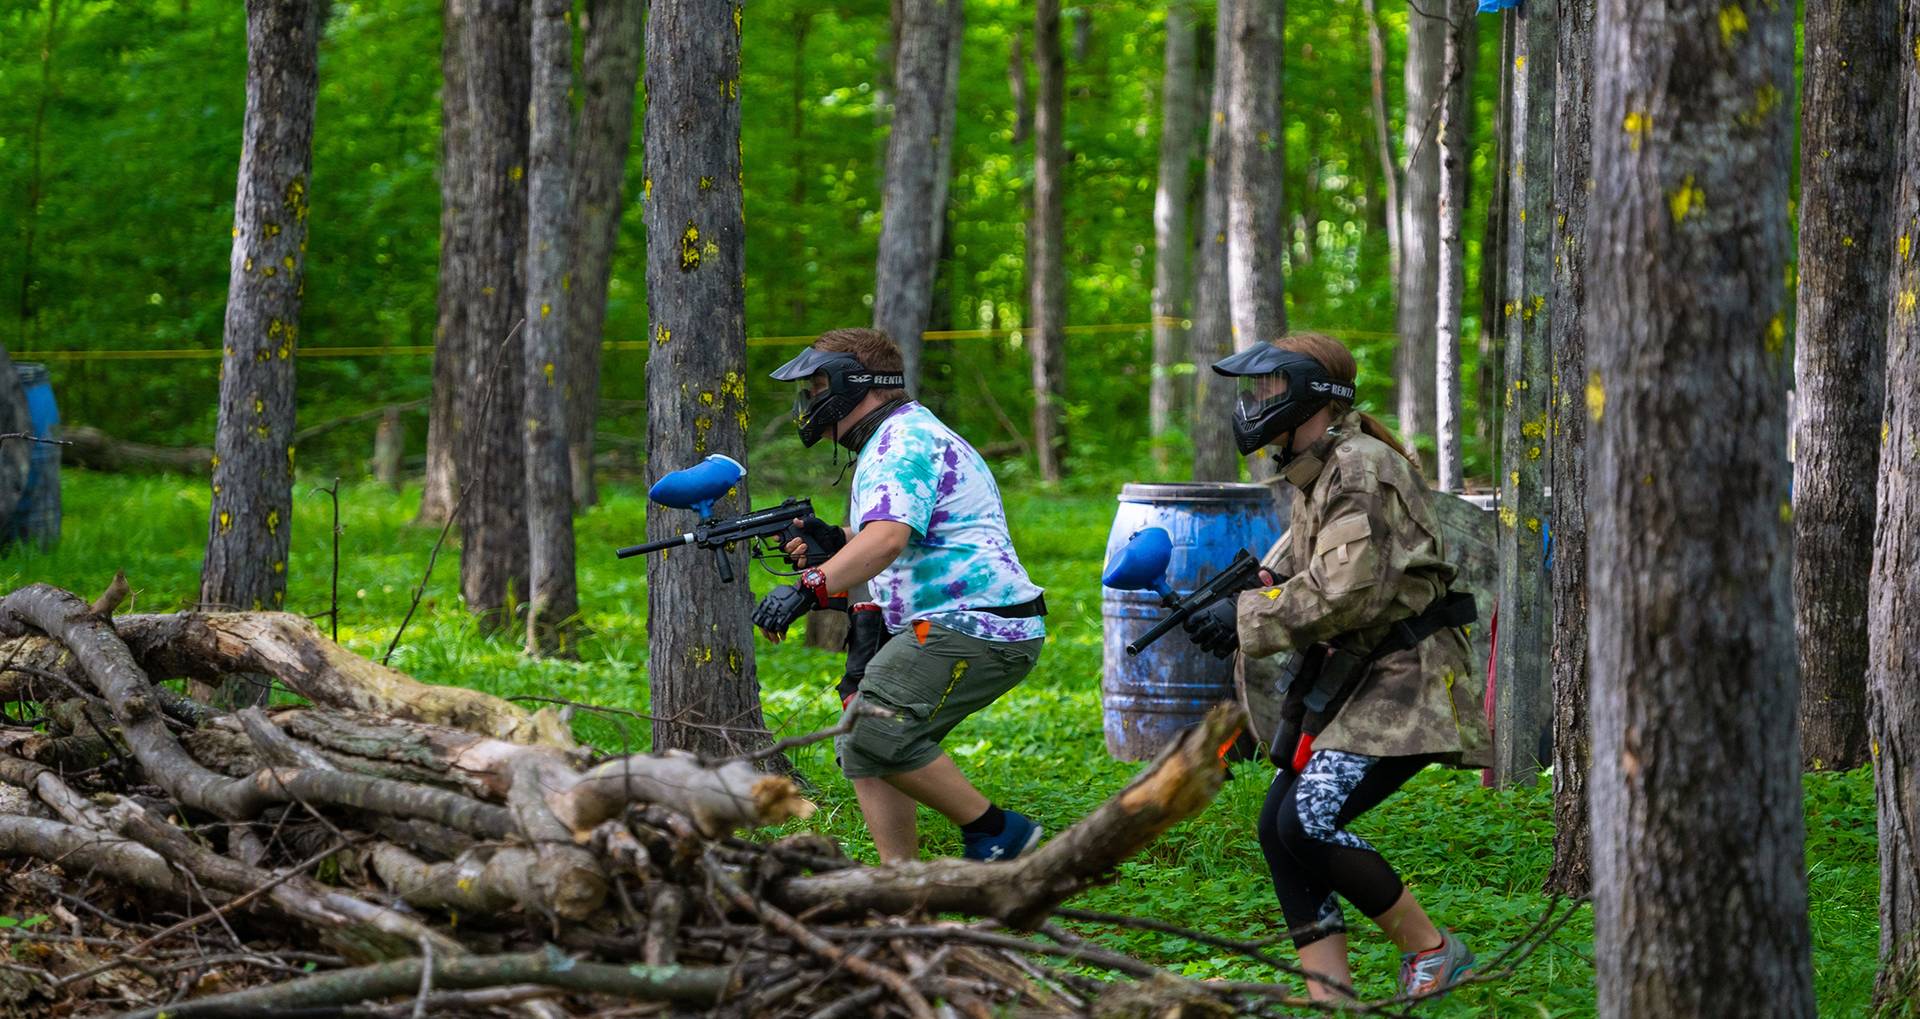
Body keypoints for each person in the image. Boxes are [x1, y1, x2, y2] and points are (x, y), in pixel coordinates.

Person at [1181, 332, 1492, 1001]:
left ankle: (1435, 951)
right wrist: (1242, 596)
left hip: (1410, 681)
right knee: (1278, 825)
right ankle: (1330, 996)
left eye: (1265, 388)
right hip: (1363, 675)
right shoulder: (1324, 465)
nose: (1254, 403)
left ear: (1304, 393)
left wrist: (1243, 618)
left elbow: (1345, 590)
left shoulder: (1358, 467)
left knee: (1307, 822)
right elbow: (1303, 563)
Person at [752, 328, 1049, 864]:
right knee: (863, 746)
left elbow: (887, 540)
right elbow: (900, 535)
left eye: (818, 385)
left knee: (870, 728)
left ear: (852, 382)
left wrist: (808, 586)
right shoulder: (898, 437)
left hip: (975, 624)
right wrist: (834, 542)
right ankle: (900, 882)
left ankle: (1000, 833)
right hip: (961, 622)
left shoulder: (902, 442)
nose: (810, 401)